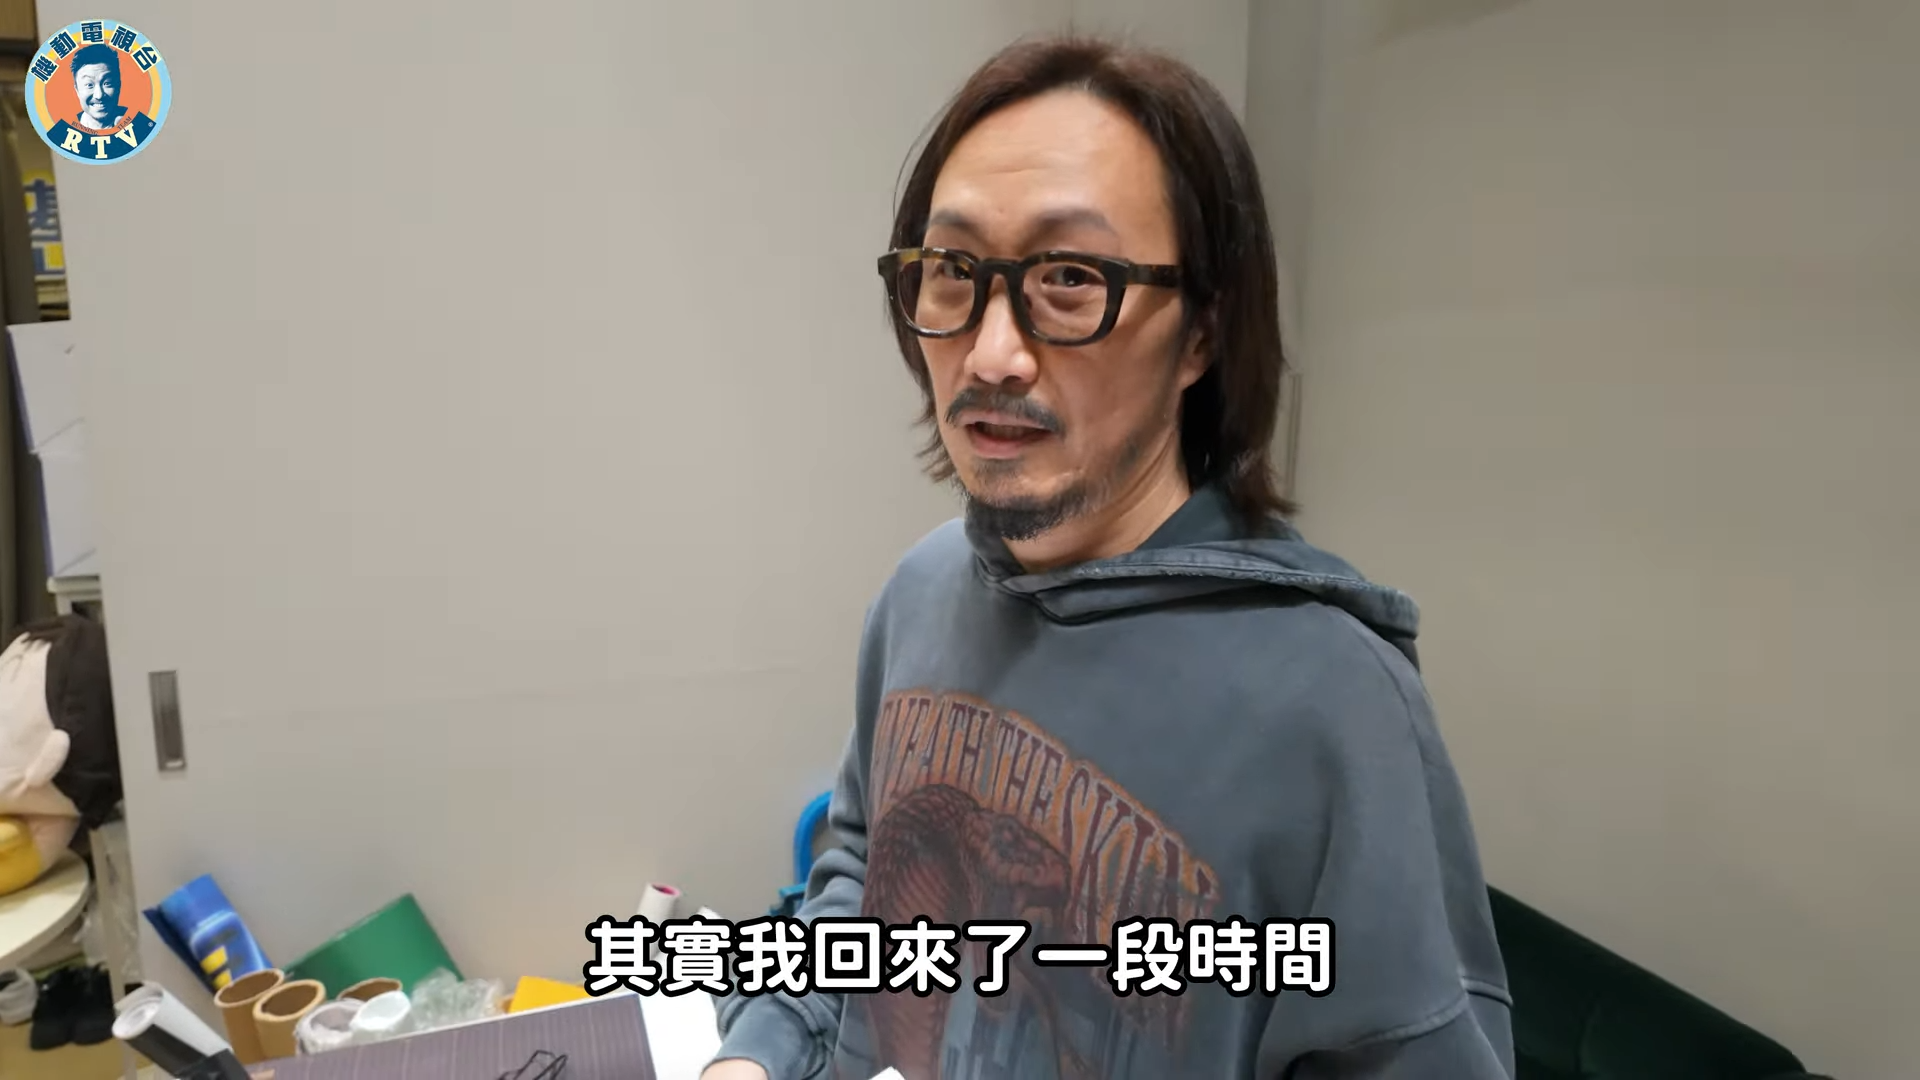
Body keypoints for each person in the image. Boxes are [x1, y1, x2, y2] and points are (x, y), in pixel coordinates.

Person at [703, 35, 1514, 1080]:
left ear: (1201, 334)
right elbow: (857, 878)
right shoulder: (922, 591)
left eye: (1070, 279)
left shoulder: (1336, 709)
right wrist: (759, 1055)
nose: (993, 353)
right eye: (953, 272)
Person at [69, 43, 129, 132]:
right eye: (89, 85)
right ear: (77, 90)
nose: (99, 95)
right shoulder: (66, 129)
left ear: (118, 85)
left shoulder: (136, 122)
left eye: (107, 83)